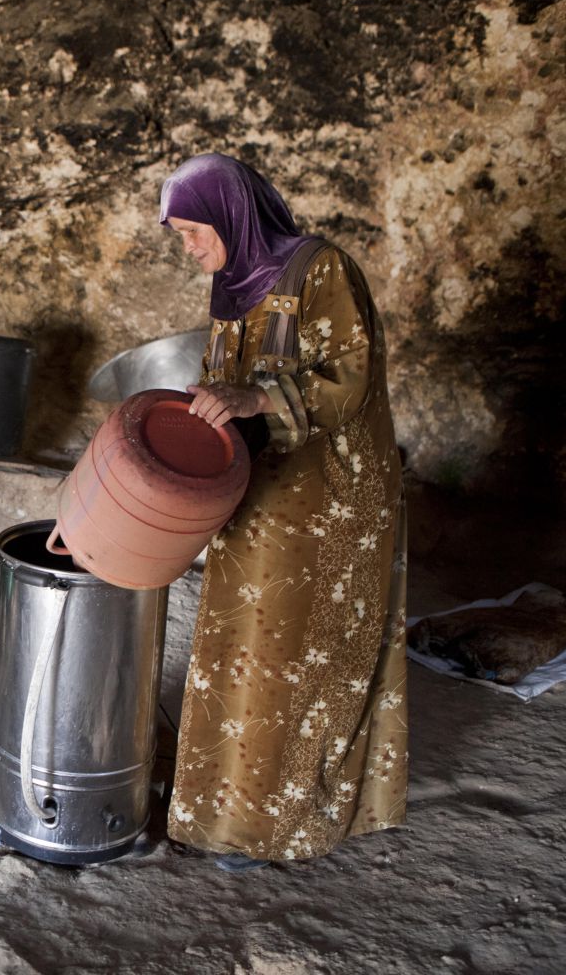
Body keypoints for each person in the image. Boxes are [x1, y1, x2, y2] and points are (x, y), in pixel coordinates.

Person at [158, 153, 407, 869]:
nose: (190, 248)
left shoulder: (321, 270)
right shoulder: (232, 286)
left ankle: (277, 827)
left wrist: (258, 399)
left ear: (234, 215)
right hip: (259, 489)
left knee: (298, 659)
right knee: (240, 651)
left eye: (194, 231)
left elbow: (353, 379)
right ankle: (221, 818)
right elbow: (222, 383)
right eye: (180, 235)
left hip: (329, 496)